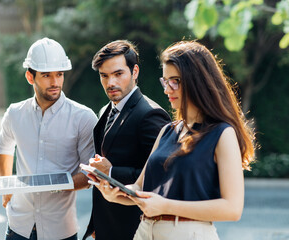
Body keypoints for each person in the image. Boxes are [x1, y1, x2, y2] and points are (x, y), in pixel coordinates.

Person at [95, 40, 256, 240]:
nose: (167, 90)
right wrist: (116, 193)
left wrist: (165, 206)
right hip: (145, 231)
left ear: (198, 81)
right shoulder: (167, 131)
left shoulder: (222, 134)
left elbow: (232, 209)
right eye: (165, 81)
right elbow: (139, 188)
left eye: (175, 81)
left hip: (188, 233)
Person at [0, 38, 98, 240]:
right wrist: (6, 189)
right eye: (46, 75)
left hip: (61, 229)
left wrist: (53, 184)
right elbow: (3, 148)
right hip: (18, 226)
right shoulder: (15, 113)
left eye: (59, 74)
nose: (55, 82)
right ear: (30, 77)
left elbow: (90, 174)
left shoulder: (84, 118)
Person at [83, 40, 171, 240]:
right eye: (104, 76)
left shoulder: (151, 114)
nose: (110, 83)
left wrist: (111, 172)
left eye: (118, 74)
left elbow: (161, 178)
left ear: (135, 71)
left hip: (135, 229)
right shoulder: (106, 109)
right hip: (106, 228)